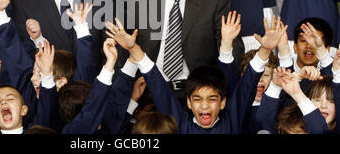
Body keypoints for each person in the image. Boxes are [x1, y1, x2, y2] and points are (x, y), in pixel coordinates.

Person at [107, 14, 286, 133]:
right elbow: (157, 84)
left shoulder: (232, 122)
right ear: (189, 103)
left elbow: (247, 85)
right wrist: (133, 48)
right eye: (198, 99)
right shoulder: (180, 123)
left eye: (212, 99)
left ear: (223, 103)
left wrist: (264, 50)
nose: (205, 106)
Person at [125, 0, 244, 106]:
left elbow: (234, 47)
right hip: (146, 90)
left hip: (196, 94)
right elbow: (123, 43)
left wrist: (212, 87)